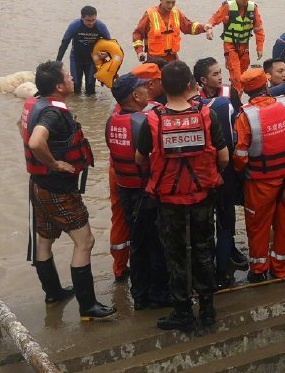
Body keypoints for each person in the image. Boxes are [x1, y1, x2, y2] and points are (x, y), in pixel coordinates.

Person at [135, 61, 229, 332]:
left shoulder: (152, 119)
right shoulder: (206, 115)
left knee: (175, 255)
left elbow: (140, 158)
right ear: (191, 85)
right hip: (202, 196)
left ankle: (183, 312)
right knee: (204, 249)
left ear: (162, 87)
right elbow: (223, 157)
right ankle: (208, 310)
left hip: (168, 199)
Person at [19, 61, 115, 321]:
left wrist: (44, 162)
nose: (73, 78)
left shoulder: (35, 103)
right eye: (68, 76)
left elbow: (21, 127)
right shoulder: (53, 113)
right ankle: (88, 307)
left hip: (38, 185)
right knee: (85, 242)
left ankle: (53, 294)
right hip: (58, 188)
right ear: (59, 87)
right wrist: (54, 163)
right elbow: (36, 141)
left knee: (44, 240)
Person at [105, 73, 169, 309]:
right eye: (143, 88)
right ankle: (158, 295)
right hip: (146, 193)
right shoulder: (143, 122)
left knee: (137, 244)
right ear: (134, 95)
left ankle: (139, 295)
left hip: (125, 190)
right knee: (156, 245)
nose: (147, 92)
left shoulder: (112, 120)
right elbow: (153, 159)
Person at [233, 67, 285, 281]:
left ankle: (259, 270)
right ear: (265, 85)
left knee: (258, 225)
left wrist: (241, 173)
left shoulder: (245, 116)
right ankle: (281, 267)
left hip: (260, 182)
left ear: (246, 91)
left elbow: (240, 154)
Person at [193, 57, 247, 286]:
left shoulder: (229, 93)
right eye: (215, 74)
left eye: (220, 72)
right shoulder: (193, 100)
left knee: (227, 215)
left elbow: (241, 122)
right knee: (206, 219)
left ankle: (229, 251)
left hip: (228, 166)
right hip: (205, 169)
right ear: (202, 80)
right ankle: (211, 264)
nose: (220, 77)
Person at [209, 0, 266, 93]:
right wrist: (209, 27)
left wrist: (259, 47)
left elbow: (258, 29)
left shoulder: (253, 8)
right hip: (230, 47)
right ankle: (236, 100)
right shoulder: (228, 6)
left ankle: (234, 97)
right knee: (236, 76)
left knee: (243, 77)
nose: (245, 1)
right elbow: (214, 19)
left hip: (244, 48)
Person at [132, 0, 213, 62]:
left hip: (172, 58)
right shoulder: (150, 14)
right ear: (161, 0)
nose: (170, 5)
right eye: (168, 2)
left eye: (173, 2)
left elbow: (189, 26)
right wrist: (139, 51)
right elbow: (138, 33)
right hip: (154, 59)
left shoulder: (176, 13)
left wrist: (204, 27)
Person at [56, 6, 112, 96]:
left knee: (90, 88)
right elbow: (64, 43)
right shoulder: (74, 25)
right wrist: (58, 62)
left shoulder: (101, 26)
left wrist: (106, 63)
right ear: (82, 18)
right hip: (76, 58)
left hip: (92, 60)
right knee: (75, 87)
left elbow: (110, 45)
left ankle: (91, 104)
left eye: (93, 20)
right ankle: (78, 105)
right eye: (88, 20)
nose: (91, 23)